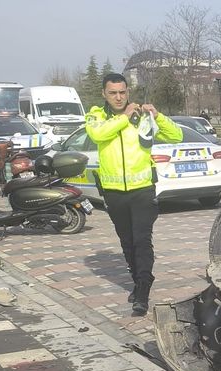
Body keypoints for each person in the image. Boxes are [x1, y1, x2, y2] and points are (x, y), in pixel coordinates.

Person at [85, 73, 182, 316]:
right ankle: (138, 282)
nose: (118, 97)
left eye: (122, 92)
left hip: (142, 190)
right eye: (113, 93)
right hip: (114, 192)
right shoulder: (96, 115)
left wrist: (157, 116)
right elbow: (98, 134)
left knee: (141, 240)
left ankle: (143, 291)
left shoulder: (141, 116)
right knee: (127, 241)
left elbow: (176, 136)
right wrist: (124, 118)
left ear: (128, 91)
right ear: (104, 94)